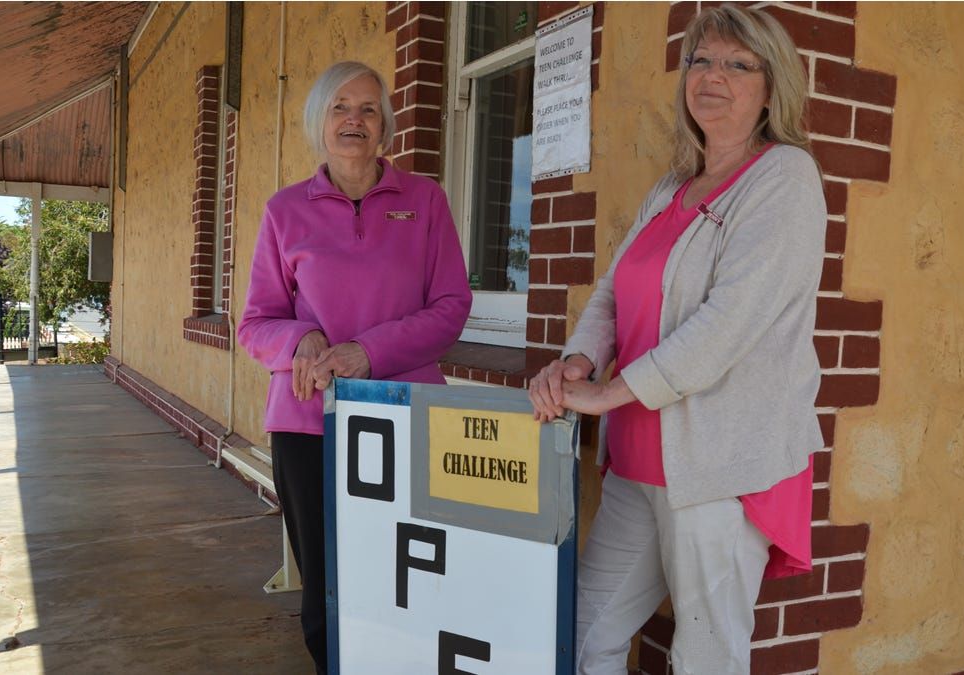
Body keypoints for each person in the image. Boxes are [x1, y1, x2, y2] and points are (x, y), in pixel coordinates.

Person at [528, 5, 826, 674]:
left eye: (735, 64)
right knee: (582, 631)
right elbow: (612, 291)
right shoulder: (671, 187)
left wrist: (607, 393)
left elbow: (730, 321)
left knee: (707, 656)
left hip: (720, 465)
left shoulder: (786, 179)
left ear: (771, 86)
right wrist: (580, 360)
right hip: (638, 458)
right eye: (700, 61)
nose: (711, 76)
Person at [238, 61, 471, 673]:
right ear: (321, 121)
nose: (354, 120)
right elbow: (255, 324)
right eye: (341, 107)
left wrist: (369, 352)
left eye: (369, 109)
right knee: (326, 586)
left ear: (385, 126)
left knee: (408, 577)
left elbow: (452, 307)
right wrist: (303, 339)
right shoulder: (284, 211)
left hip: (406, 419)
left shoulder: (425, 201)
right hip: (310, 425)